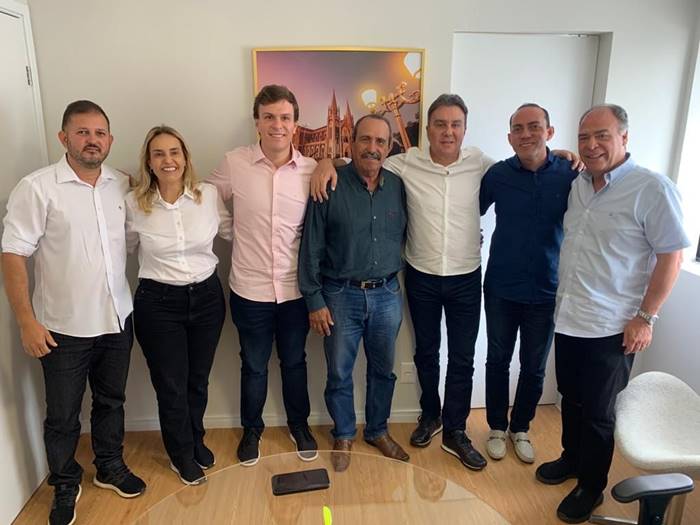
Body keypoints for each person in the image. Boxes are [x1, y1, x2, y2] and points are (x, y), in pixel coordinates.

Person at [535, 104, 689, 524]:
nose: (592, 145)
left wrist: (646, 317)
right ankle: (571, 458)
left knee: (599, 412)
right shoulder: (579, 184)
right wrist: (563, 154)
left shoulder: (651, 188)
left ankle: (591, 486)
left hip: (614, 326)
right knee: (570, 397)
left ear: (624, 137)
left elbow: (672, 257)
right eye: (584, 137)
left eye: (602, 135)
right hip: (571, 316)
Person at [1, 100, 146, 525]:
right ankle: (65, 482)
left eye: (99, 133)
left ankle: (109, 466)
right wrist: (26, 321)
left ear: (110, 140)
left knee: (111, 401)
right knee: (62, 415)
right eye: (82, 132)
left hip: (116, 319)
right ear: (63, 137)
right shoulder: (37, 187)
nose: (92, 140)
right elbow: (13, 254)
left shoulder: (122, 184)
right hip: (61, 327)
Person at [208, 85, 319, 466]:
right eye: (269, 117)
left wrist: (330, 163)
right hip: (249, 289)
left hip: (294, 291)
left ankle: (299, 426)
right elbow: (204, 196)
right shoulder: (234, 162)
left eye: (285, 117)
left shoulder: (310, 169)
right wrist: (231, 231)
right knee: (253, 365)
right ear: (257, 122)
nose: (277, 125)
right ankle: (251, 430)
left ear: (295, 124)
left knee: (295, 362)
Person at [299, 114, 409, 472]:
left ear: (389, 147)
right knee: (339, 372)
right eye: (365, 139)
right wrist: (314, 299)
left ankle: (378, 431)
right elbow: (311, 246)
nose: (372, 148)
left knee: (384, 371)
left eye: (380, 142)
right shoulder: (329, 184)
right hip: (340, 295)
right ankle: (344, 434)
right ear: (352, 141)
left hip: (387, 294)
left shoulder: (398, 186)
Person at [126, 125, 232, 485]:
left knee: (197, 380)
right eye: (158, 154)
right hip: (158, 305)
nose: (167, 160)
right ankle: (181, 454)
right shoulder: (133, 203)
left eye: (174, 152)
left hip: (207, 299)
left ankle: (195, 439)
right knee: (171, 385)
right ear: (149, 162)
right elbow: (119, 249)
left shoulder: (208, 195)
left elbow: (234, 232)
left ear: (185, 157)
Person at [480, 104, 578, 464]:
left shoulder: (571, 173)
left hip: (546, 289)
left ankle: (520, 427)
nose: (526, 134)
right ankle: (496, 426)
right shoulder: (497, 175)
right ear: (509, 138)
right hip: (501, 288)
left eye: (534, 127)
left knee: (534, 367)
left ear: (549, 132)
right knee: (497, 361)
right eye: (518, 129)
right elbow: (466, 211)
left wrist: (571, 156)